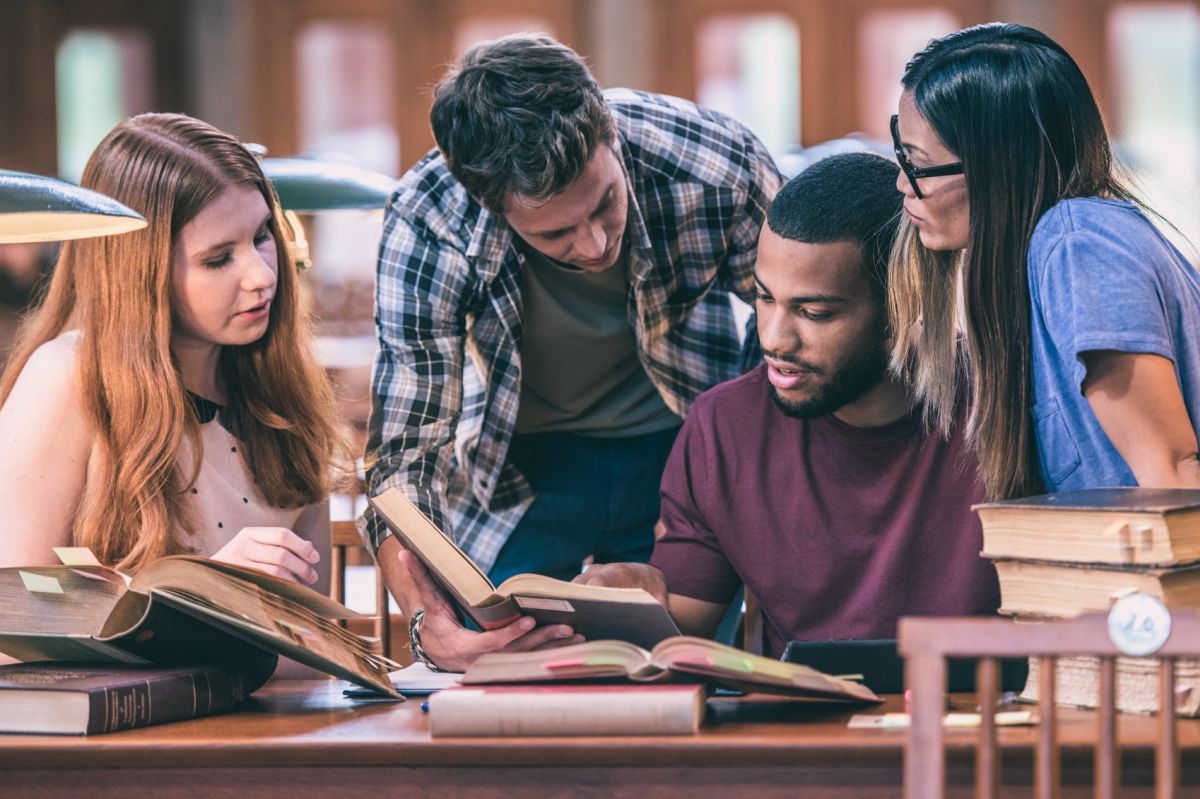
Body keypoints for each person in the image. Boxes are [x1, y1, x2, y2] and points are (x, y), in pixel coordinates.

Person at [365, 35, 780, 669]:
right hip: (525, 469)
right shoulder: (429, 220)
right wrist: (430, 622)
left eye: (604, 203)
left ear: (608, 130)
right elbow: (406, 456)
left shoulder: (714, 163)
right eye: (554, 232)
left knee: (689, 674)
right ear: (490, 204)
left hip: (680, 452)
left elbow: (803, 323)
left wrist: (741, 464)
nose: (592, 246)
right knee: (504, 661)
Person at [566, 153, 999, 657]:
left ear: (908, 302)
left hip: (977, 721)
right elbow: (680, 635)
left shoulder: (1005, 404)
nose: (774, 339)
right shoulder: (724, 427)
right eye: (764, 298)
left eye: (814, 312)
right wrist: (632, 596)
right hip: (798, 725)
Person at [0, 113, 344, 594]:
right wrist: (196, 591)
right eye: (218, 258)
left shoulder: (277, 384)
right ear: (141, 272)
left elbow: (311, 634)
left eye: (263, 235)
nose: (263, 276)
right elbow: (14, 610)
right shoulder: (67, 376)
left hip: (274, 674)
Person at [886, 22, 1200, 502]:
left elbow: (1173, 476)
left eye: (918, 163)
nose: (903, 184)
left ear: (997, 165)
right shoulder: (1060, 249)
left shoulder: (1079, 243)